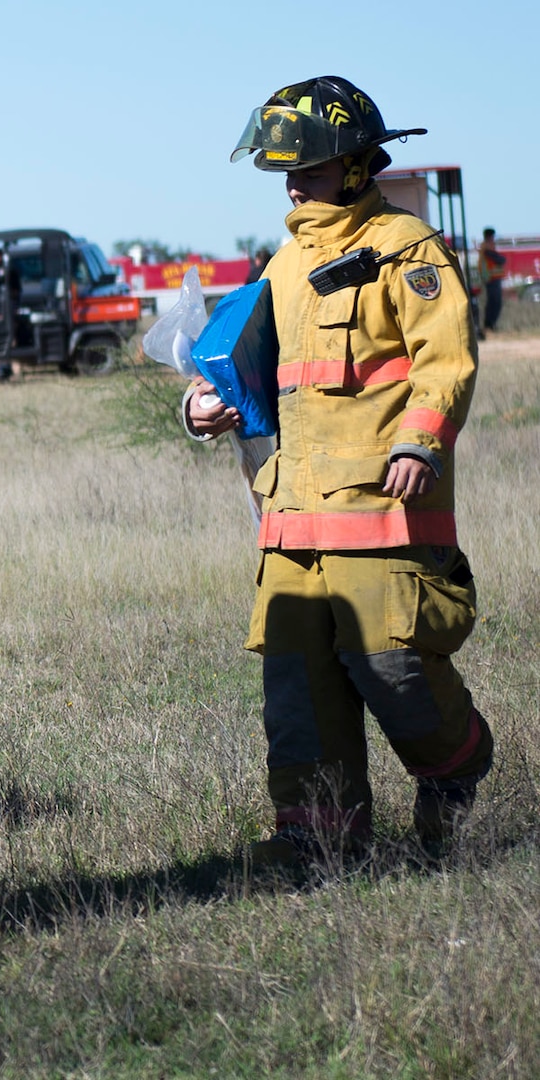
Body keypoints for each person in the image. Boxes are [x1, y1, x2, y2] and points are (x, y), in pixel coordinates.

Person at [188, 76, 491, 869]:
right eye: (284, 173)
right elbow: (248, 374)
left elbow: (446, 359)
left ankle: (456, 770)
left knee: (396, 672)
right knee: (297, 691)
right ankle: (317, 842)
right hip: (290, 518)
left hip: (381, 513)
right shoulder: (282, 265)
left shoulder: (407, 248)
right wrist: (202, 406)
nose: (293, 186)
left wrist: (421, 440)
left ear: (357, 167)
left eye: (309, 171)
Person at [477, 227, 505, 334]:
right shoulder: (487, 247)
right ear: (490, 236)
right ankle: (489, 325)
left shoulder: (487, 246)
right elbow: (499, 260)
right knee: (494, 303)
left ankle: (490, 325)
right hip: (491, 278)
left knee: (494, 302)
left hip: (492, 278)